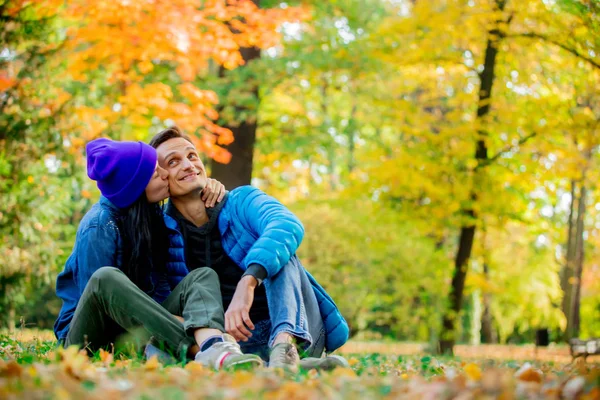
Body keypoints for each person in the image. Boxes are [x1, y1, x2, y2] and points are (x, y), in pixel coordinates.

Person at [149, 127, 350, 371]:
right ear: (161, 177)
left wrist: (249, 280)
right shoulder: (159, 231)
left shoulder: (241, 200)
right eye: (173, 161)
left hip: (295, 330)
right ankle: (285, 368)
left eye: (192, 156)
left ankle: (284, 352)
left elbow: (286, 223)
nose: (189, 165)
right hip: (229, 342)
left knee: (278, 252)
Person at [53, 138, 263, 370]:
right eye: (155, 173)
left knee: (202, 275)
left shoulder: (150, 215)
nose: (165, 174)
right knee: (105, 278)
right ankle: (203, 349)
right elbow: (97, 305)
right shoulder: (99, 226)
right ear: (136, 187)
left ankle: (214, 347)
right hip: (88, 338)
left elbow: (161, 293)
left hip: (140, 325)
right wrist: (186, 327)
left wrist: (208, 185)